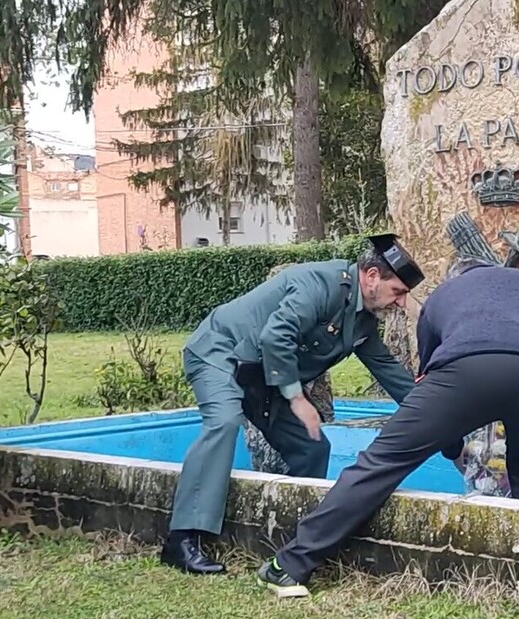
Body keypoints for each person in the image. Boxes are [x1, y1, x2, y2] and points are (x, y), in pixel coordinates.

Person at [256, 260, 519, 598]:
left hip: (471, 365)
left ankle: (291, 566)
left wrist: (451, 447)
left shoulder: (444, 295)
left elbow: (431, 381)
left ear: (458, 277)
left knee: (382, 463)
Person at [160, 234, 427, 575]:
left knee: (313, 446)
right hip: (221, 353)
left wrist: (439, 414)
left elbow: (390, 371)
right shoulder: (321, 284)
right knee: (225, 422)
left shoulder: (362, 320)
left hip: (263, 375)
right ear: (372, 276)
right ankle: (181, 540)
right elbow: (276, 336)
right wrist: (297, 398)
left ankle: (297, 542)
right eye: (399, 292)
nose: (401, 303)